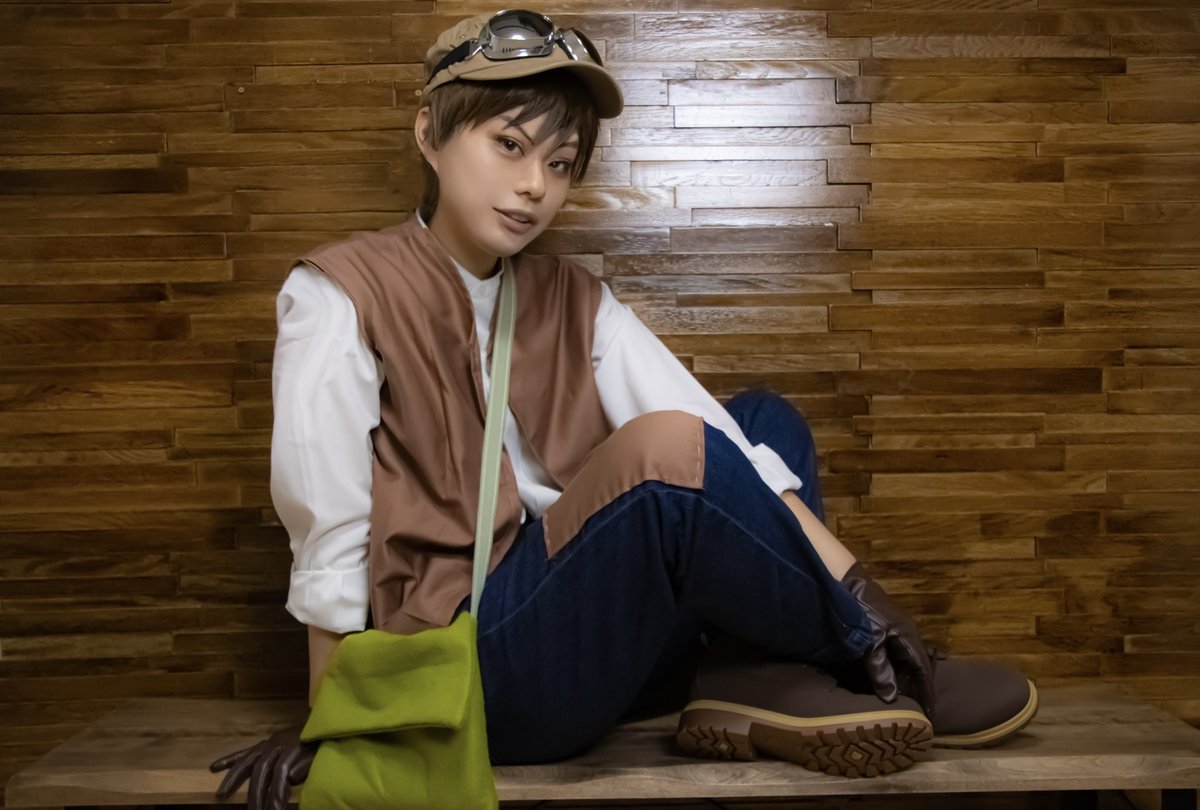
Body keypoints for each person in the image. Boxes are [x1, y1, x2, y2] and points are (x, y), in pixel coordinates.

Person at [209, 9, 1038, 808]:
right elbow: (330, 529)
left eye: (562, 163)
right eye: (509, 145)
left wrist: (878, 610)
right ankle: (861, 671)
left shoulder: (575, 298)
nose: (535, 186)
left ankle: (778, 670)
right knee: (668, 451)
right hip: (482, 671)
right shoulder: (339, 293)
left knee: (761, 425)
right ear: (430, 134)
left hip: (602, 641)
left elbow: (720, 442)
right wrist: (336, 713)